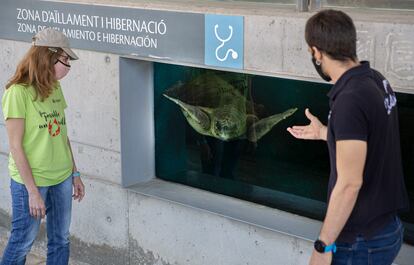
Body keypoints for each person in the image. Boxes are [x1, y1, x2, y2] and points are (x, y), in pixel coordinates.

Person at [287, 10, 409, 265]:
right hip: (388, 226)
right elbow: (373, 140)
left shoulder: (350, 100)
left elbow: (350, 184)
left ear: (316, 52)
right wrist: (325, 132)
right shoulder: (377, 80)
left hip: (361, 242)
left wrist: (323, 246)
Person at [1, 28, 85, 265]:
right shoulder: (18, 93)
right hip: (32, 181)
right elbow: (16, 147)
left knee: (61, 239)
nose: (68, 66)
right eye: (65, 59)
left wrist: (74, 173)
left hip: (61, 178)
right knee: (22, 241)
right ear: (47, 57)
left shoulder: (54, 87)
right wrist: (32, 192)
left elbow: (61, 134)